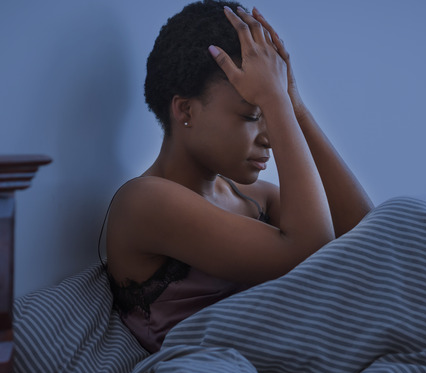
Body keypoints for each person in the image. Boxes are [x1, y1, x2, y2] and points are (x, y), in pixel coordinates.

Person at [104, 0, 373, 352]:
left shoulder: (257, 198)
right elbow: (311, 248)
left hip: (287, 360)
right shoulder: (143, 201)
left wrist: (294, 103)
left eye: (273, 115)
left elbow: (370, 239)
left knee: (412, 219)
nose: (271, 136)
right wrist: (275, 101)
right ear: (186, 109)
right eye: (251, 116)